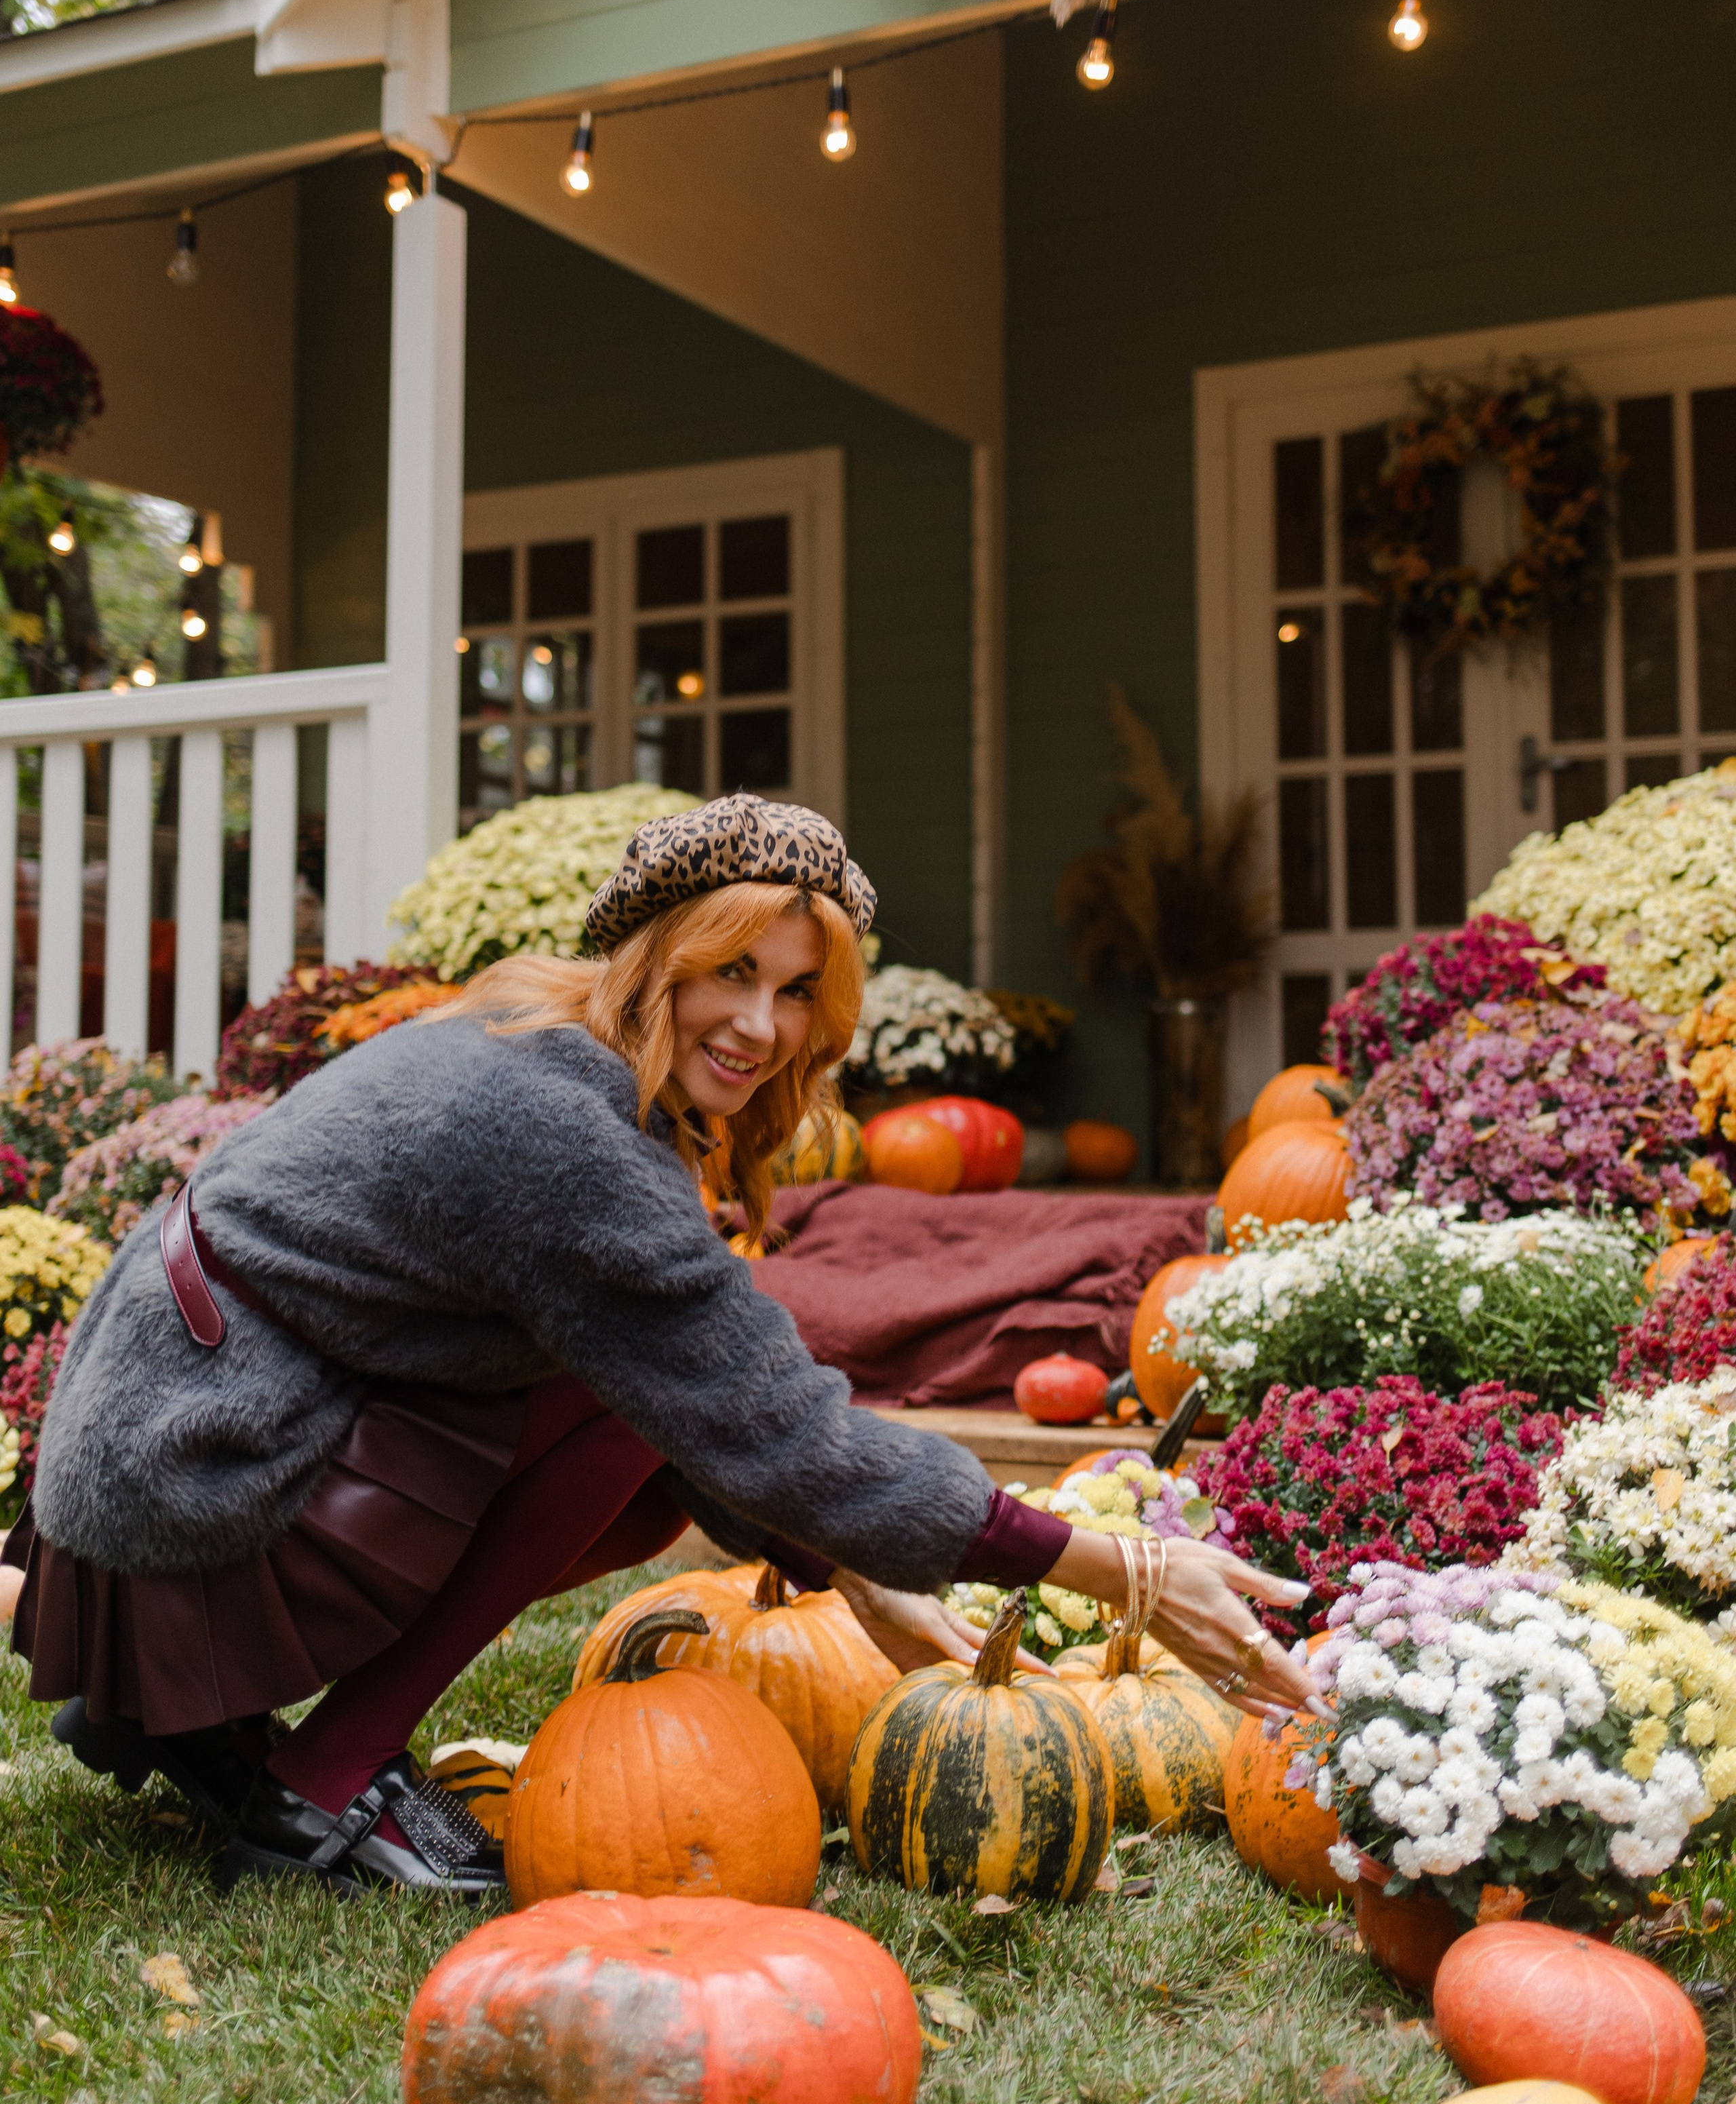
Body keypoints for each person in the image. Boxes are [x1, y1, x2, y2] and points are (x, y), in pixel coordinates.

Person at [5, 795, 1311, 1895]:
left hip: (165, 1440)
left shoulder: (540, 1034)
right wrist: (1120, 1570)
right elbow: (760, 1417)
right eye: (730, 972)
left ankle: (178, 1709)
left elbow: (716, 1394)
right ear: (652, 954)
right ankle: (318, 1782)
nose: (762, 1026)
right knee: (622, 1417)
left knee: (635, 1411)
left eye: (799, 992)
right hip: (193, 1475)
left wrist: (835, 1561)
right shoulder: (562, 1131)